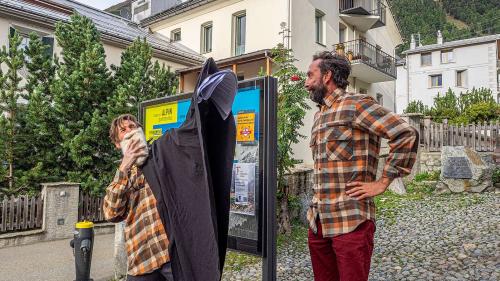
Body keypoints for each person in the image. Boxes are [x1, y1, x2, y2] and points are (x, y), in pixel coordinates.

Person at [304, 51, 419, 281]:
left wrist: (383, 181)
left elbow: (405, 133)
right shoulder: (319, 117)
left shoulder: (356, 105)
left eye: (310, 75)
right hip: (319, 223)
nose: (306, 83)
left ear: (327, 76)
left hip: (351, 221)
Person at [103, 114, 173, 281]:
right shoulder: (122, 175)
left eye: (133, 127)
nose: (129, 131)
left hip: (169, 252)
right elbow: (111, 213)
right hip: (141, 259)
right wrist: (125, 166)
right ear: (117, 144)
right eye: (123, 130)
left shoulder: (159, 159)